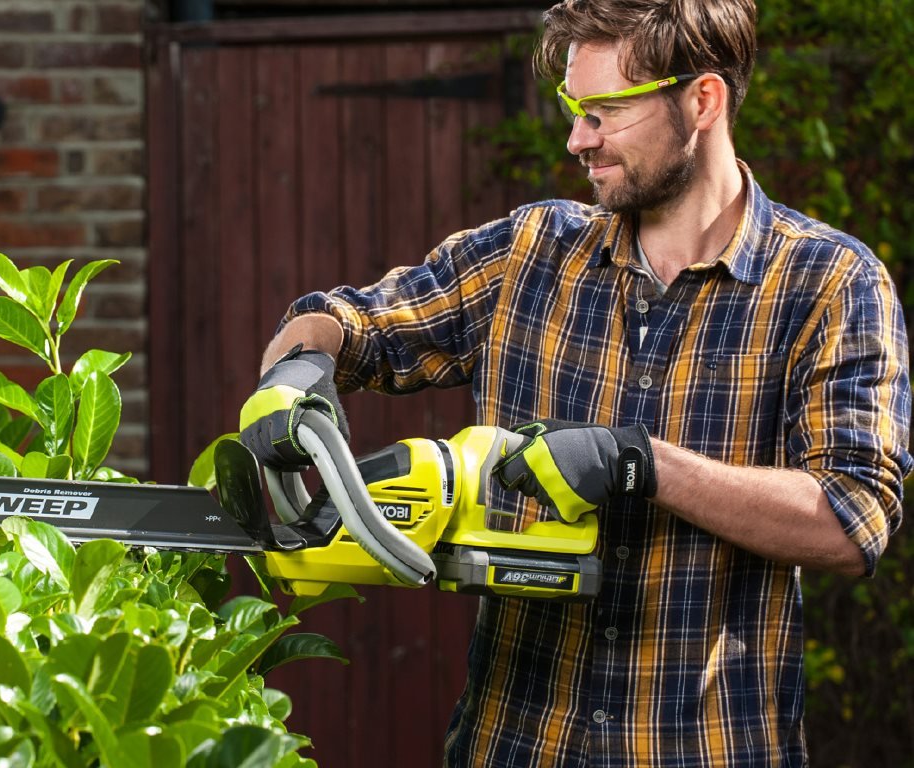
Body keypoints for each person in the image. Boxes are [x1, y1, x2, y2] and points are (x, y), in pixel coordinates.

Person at [236, 0, 912, 765]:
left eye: (603, 113)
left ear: (703, 100)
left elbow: (854, 517)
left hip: (709, 748)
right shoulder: (529, 254)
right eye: (573, 109)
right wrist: (295, 370)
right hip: (516, 745)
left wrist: (644, 464)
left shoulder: (829, 283)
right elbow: (347, 323)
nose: (576, 139)